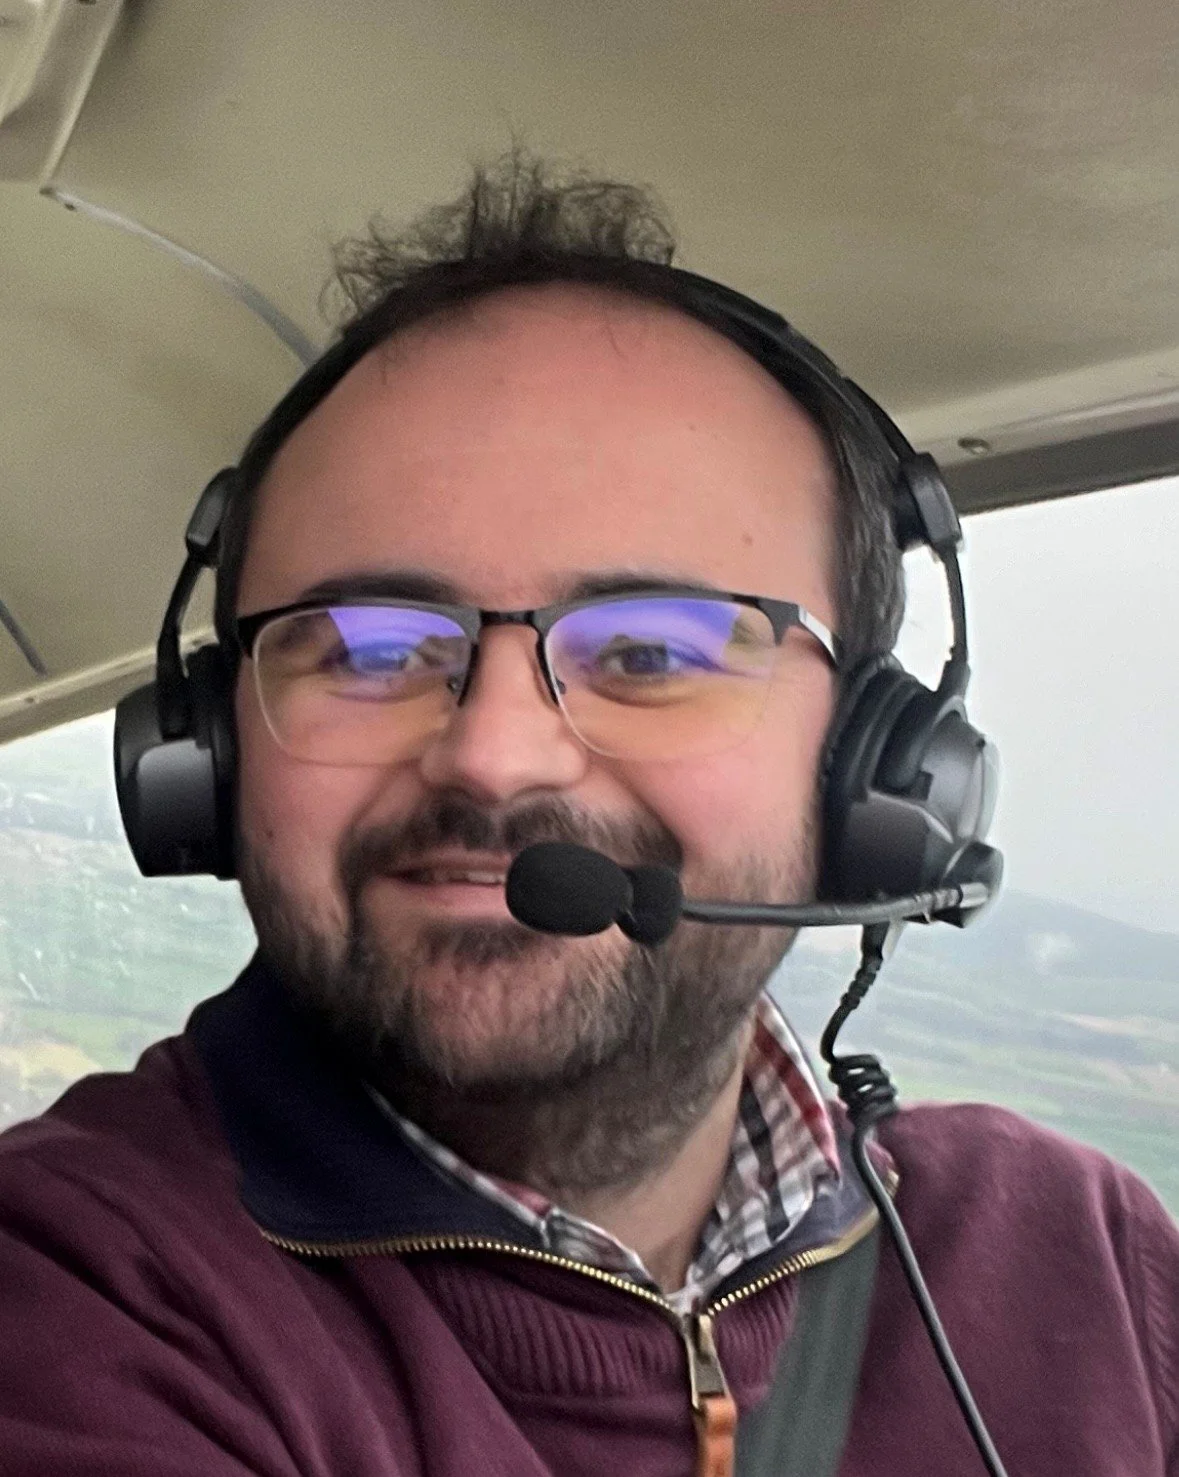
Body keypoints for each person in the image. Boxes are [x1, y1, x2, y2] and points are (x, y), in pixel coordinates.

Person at [1, 153, 1176, 1477]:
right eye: (374, 650)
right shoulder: (73, 1290)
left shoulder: (1088, 1256)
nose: (494, 760)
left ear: (877, 768)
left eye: (654, 653)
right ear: (206, 752)